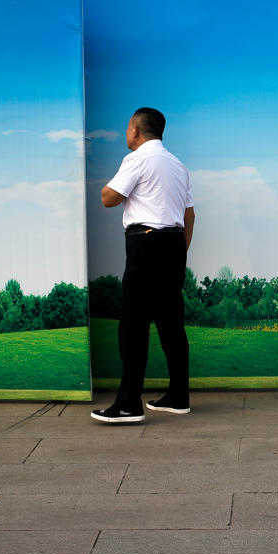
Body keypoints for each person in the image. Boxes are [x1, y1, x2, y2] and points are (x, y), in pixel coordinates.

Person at [91, 107, 195, 423]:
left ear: (136, 130)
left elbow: (108, 198)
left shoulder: (137, 159)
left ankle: (128, 404)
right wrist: (178, 251)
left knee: (133, 325)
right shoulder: (178, 166)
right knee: (170, 323)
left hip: (146, 243)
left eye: (127, 127)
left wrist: (107, 187)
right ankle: (178, 396)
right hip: (174, 244)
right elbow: (190, 216)